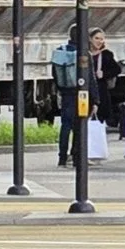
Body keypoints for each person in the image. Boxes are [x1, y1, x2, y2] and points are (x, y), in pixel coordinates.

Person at [52, 33, 80, 166]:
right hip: (79, 94)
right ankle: (75, 156)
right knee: (78, 127)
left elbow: (54, 74)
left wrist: (61, 89)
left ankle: (62, 157)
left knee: (65, 126)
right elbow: (89, 77)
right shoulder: (83, 53)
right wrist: (95, 99)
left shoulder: (60, 51)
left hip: (65, 93)